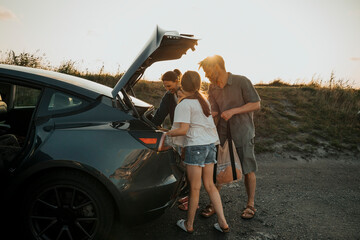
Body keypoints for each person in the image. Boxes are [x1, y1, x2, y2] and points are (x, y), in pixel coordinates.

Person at [198, 55, 261, 220]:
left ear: (217, 66)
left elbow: (256, 104)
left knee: (248, 170)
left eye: (207, 70)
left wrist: (233, 111)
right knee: (219, 169)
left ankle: (250, 205)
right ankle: (214, 204)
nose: (206, 75)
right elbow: (214, 110)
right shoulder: (212, 87)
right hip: (222, 133)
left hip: (242, 132)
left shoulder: (242, 81)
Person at [166, 70, 229, 233]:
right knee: (210, 185)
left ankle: (189, 225)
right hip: (209, 146)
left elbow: (183, 130)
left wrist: (167, 132)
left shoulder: (184, 104)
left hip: (196, 147)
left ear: (182, 84)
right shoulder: (204, 102)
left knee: (194, 188)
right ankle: (223, 223)